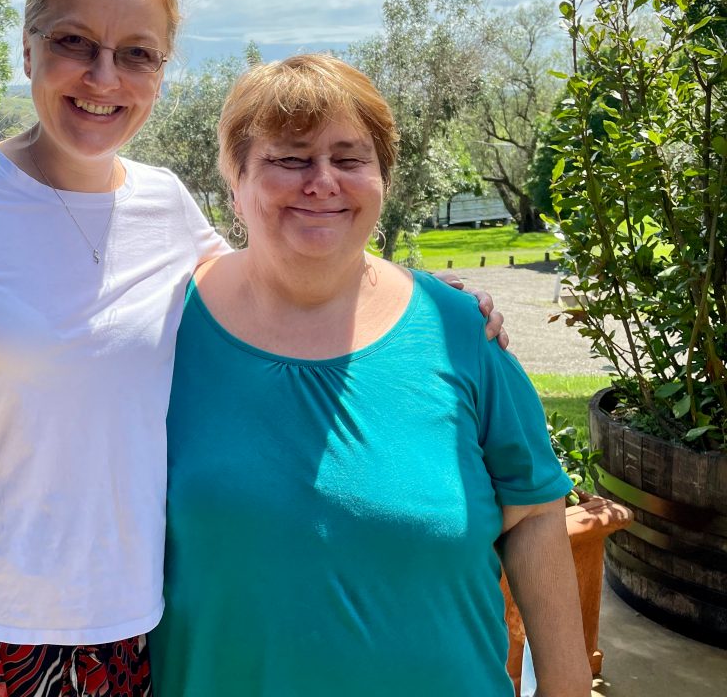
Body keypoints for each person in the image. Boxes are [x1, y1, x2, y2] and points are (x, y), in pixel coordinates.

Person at [0, 0, 505, 697]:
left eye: (137, 54)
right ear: (27, 47)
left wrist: (423, 299)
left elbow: (281, 276)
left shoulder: (168, 206)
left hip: (113, 641)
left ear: (162, 70)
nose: (103, 77)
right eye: (74, 42)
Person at [150, 54, 590, 697]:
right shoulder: (161, 332)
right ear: (234, 177)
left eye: (350, 159)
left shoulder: (460, 331)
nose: (322, 182)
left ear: (382, 176)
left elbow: (534, 513)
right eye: (290, 158)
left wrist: (565, 687)